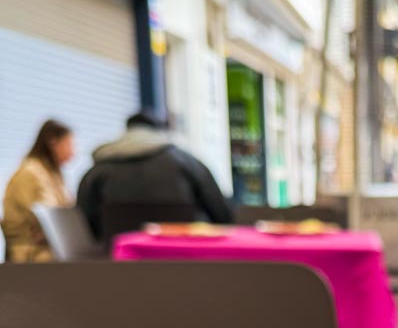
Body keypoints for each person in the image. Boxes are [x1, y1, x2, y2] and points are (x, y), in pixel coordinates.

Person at [77, 111, 233, 237]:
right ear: (160, 131)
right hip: (185, 260)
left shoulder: (99, 169)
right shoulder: (186, 162)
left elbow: (82, 224)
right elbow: (221, 213)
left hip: (115, 263)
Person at [2, 120, 75, 262]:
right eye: (68, 145)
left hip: (46, 249)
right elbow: (49, 220)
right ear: (53, 142)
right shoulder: (31, 173)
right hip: (31, 253)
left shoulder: (52, 174)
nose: (73, 152)